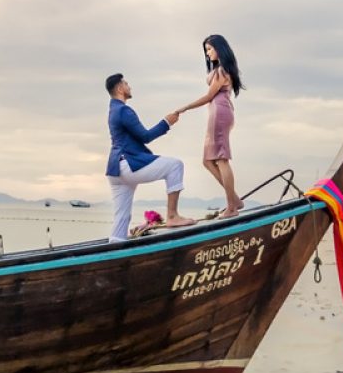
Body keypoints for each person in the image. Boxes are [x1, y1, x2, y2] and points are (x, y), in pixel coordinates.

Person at [104, 72, 195, 241]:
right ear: (119, 88)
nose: (129, 86)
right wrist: (166, 122)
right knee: (175, 165)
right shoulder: (123, 110)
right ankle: (173, 216)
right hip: (128, 165)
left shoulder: (113, 110)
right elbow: (145, 136)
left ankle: (115, 252)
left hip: (115, 170)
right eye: (126, 83)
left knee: (121, 221)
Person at [168, 34, 244, 216]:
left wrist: (185, 107)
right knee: (208, 161)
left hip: (220, 113)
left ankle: (232, 207)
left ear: (220, 48)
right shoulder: (221, 70)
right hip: (217, 112)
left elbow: (209, 96)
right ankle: (234, 200)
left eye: (210, 49)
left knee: (221, 159)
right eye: (206, 50)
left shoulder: (221, 72)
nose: (207, 53)